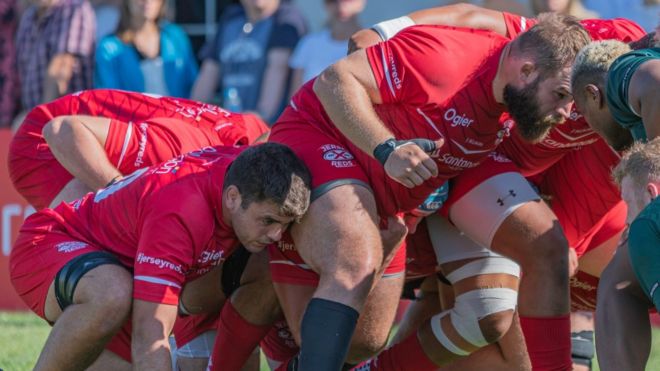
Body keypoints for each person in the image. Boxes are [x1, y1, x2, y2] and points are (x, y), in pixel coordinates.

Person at [267, 11, 589, 370]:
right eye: (561, 95)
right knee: (352, 259)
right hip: (317, 139)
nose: (566, 112)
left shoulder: (512, 95)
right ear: (526, 71)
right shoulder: (447, 57)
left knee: (365, 341)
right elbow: (333, 80)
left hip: (389, 196)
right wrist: (386, 148)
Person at [348, 5, 644, 370]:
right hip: (480, 163)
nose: (568, 111)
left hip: (536, 189)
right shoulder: (599, 42)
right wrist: (385, 30)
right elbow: (482, 19)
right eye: (564, 95)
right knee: (502, 318)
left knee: (479, 314)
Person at [9, 143, 312, 370]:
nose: (276, 234)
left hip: (124, 270)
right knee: (112, 292)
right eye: (269, 221)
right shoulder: (182, 213)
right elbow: (150, 334)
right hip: (49, 243)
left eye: (285, 224)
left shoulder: (245, 173)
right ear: (232, 197)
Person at [8, 89, 269, 210]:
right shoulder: (186, 146)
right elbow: (61, 131)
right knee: (120, 231)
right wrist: (122, 195)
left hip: (68, 126)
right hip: (40, 144)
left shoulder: (249, 129)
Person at [595, 138, 660, 371]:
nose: (626, 221)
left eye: (628, 204)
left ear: (652, 194)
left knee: (617, 281)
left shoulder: (647, 226)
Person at [191, 0, 307, 123]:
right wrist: (192, 114)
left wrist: (260, 117)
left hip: (265, 130)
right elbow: (209, 70)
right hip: (230, 122)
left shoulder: (287, 19)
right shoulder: (231, 18)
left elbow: (278, 69)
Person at [95, 0, 198, 98]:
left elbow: (195, 87)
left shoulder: (176, 36)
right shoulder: (108, 49)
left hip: (176, 115)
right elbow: (108, 100)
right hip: (132, 116)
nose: (148, 0)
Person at [571, 41, 660, 150]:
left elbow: (652, 80)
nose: (591, 128)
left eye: (583, 112)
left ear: (593, 95)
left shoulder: (615, 77)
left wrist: (655, 154)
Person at [15, 0, 95, 111]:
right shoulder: (27, 18)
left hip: (69, 115)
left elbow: (61, 67)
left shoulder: (74, 8)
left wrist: (42, 115)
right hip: (34, 113)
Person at [289, 0, 365, 93]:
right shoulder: (309, 43)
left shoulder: (371, 45)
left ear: (361, 2)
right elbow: (295, 95)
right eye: (332, 1)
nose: (340, 5)